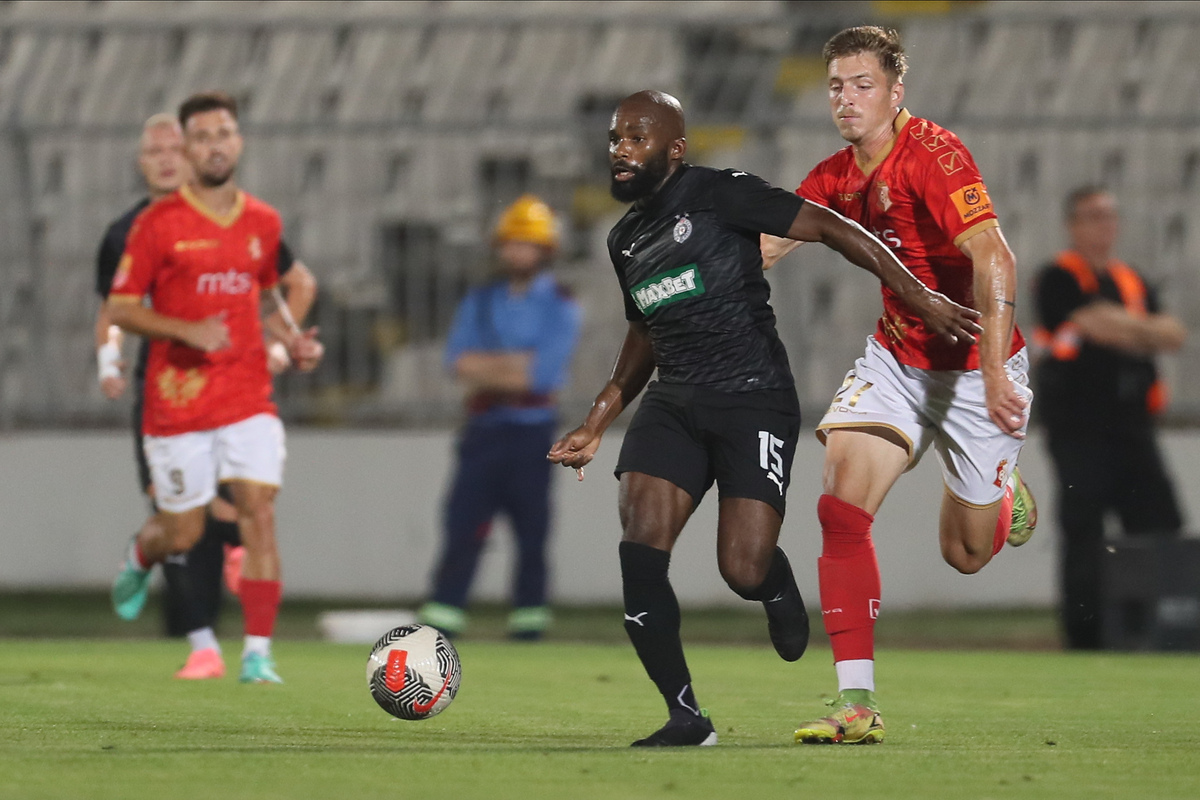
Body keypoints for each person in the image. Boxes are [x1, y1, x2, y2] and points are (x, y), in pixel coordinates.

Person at [547, 90, 982, 747]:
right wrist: (598, 418)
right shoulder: (625, 239)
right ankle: (686, 717)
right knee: (640, 551)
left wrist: (917, 294)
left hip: (754, 398)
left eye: (636, 139)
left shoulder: (721, 193)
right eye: (615, 140)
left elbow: (835, 227)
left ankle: (775, 587)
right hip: (675, 402)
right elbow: (645, 332)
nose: (620, 151)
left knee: (741, 568)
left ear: (675, 149)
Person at [761, 26, 1038, 744]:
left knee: (967, 555)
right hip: (896, 364)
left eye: (862, 85)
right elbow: (770, 241)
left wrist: (991, 369)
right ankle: (858, 702)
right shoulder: (834, 176)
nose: (846, 99)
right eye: (835, 86)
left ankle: (998, 491)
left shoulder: (936, 158)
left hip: (980, 371)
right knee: (839, 503)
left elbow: (995, 256)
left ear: (894, 92)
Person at [107, 91, 324, 684]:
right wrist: (185, 329)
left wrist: (290, 343)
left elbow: (282, 294)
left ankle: (258, 652)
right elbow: (122, 308)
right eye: (201, 137)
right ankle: (140, 553)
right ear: (187, 148)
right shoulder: (156, 225)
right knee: (186, 530)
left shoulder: (262, 222)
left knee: (258, 512)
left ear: (239, 140)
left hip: (246, 395)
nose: (215, 145)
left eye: (224, 132)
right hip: (176, 400)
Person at [418, 196, 582, 641]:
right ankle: (445, 618)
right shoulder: (482, 298)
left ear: (546, 251)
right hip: (484, 431)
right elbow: (458, 363)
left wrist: (489, 368)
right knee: (462, 524)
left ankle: (529, 622)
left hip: (533, 435)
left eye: (527, 245)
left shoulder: (562, 305)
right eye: (511, 244)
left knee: (532, 531)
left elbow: (540, 375)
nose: (518, 253)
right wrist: (514, 367)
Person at [1033, 186, 1187, 650]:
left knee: (1160, 523)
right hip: (1078, 429)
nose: (1105, 225)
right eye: (1094, 216)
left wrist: (1121, 328)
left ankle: (1160, 627)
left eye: (1109, 215)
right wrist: (1139, 332)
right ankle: (1086, 636)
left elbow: (1174, 333)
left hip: (1133, 427)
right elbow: (1096, 322)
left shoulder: (1131, 279)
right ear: (1073, 224)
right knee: (1084, 530)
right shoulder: (1058, 276)